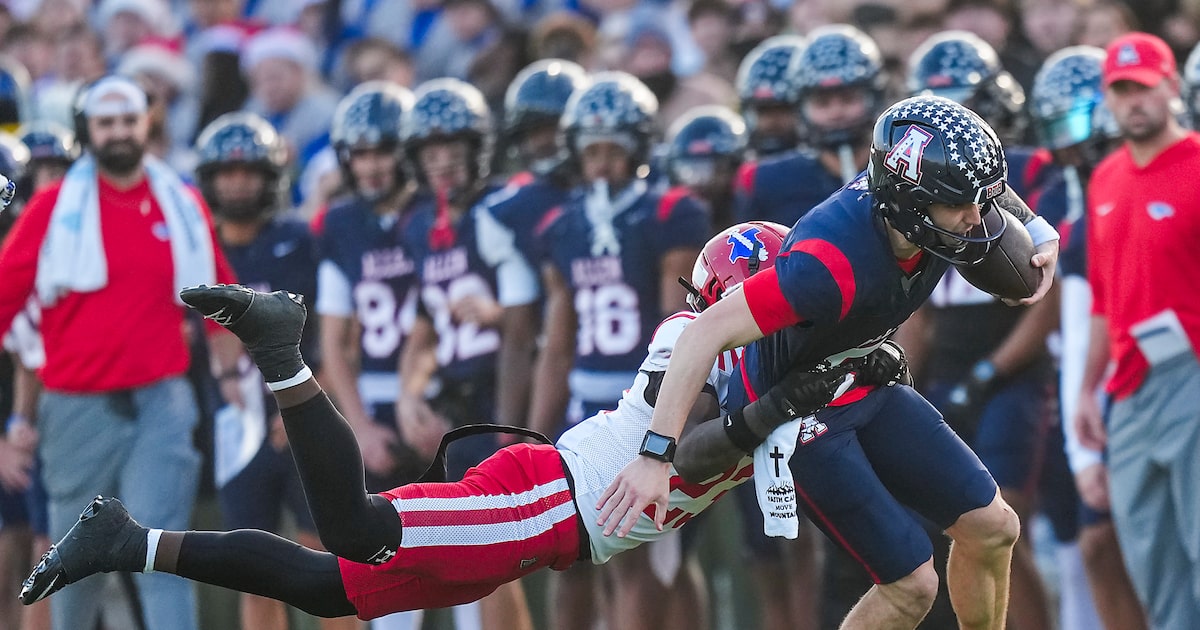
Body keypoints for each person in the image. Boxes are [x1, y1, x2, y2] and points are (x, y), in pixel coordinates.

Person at [17, 223, 890, 621]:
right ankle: (282, 347)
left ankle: (128, 541)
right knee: (355, 530)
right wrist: (786, 402)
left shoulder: (768, 358)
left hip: (558, 525)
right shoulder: (697, 342)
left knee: (328, 591)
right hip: (545, 503)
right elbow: (699, 442)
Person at [597, 95, 1061, 630]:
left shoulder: (921, 199)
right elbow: (702, 333)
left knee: (995, 527)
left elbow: (985, 187)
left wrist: (1039, 228)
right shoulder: (825, 264)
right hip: (797, 415)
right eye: (959, 205)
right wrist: (655, 457)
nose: (978, 219)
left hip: (858, 376)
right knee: (912, 586)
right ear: (910, 203)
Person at [0, 75, 240, 630]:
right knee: (72, 567)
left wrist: (238, 390)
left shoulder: (181, 203)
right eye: (106, 123)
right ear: (89, 130)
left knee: (161, 559)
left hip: (161, 402)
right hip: (75, 408)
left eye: (128, 121)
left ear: (146, 124)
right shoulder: (52, 209)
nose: (118, 133)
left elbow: (223, 306)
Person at [529, 72, 709, 630]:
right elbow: (557, 345)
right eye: (592, 151)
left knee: (647, 560)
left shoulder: (668, 212)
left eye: (614, 149)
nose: (602, 163)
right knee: (568, 560)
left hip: (643, 408)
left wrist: (663, 426)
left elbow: (677, 330)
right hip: (583, 409)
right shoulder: (561, 224)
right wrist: (533, 435)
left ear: (639, 149)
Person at [194, 111, 350, 630]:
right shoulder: (196, 245)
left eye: (249, 172)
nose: (238, 183)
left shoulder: (301, 240)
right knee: (251, 567)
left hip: (303, 414)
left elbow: (337, 334)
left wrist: (307, 406)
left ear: (271, 176)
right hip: (236, 420)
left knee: (330, 560)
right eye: (227, 173)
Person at [1075, 32, 1200, 630]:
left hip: (1192, 372)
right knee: (1151, 559)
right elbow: (1104, 300)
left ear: (1171, 87)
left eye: (1144, 88)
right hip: (1128, 385)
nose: (1133, 102)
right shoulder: (1105, 178)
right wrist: (1085, 389)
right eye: (1121, 91)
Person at [1029, 45, 1147, 630]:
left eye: (1075, 122)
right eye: (1057, 128)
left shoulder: (1148, 176)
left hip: (1152, 367)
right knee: (1088, 536)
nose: (1070, 143)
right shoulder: (1054, 198)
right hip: (1079, 376)